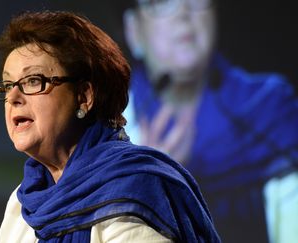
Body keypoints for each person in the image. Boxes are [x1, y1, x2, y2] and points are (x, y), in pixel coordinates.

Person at [0, 10, 220, 243]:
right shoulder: (24, 202)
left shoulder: (131, 188)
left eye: (33, 81)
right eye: (8, 85)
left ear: (84, 96)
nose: (12, 97)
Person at [123, 0, 298, 242]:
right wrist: (149, 186)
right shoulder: (105, 125)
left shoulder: (269, 106)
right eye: (162, 1)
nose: (183, 12)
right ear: (134, 31)